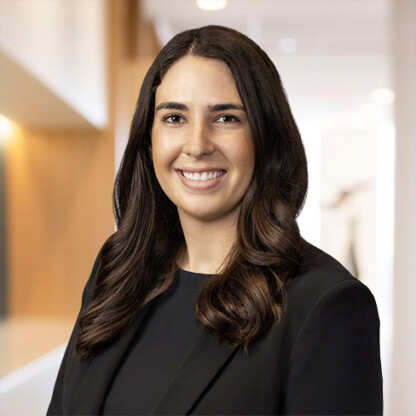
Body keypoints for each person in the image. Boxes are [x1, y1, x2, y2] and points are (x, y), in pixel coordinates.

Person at [47, 25, 383, 415]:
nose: (197, 145)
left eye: (225, 118)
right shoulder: (118, 271)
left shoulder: (326, 305)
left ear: (266, 137)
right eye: (174, 118)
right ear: (149, 139)